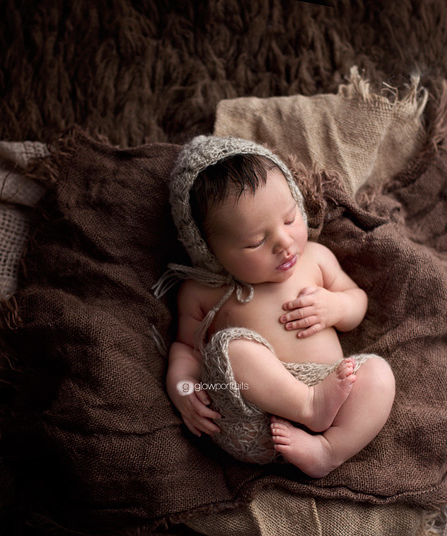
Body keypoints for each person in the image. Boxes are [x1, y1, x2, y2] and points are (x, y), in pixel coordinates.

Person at [158, 136, 395, 478]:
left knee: (378, 375)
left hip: (333, 388)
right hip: (254, 414)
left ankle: (329, 451)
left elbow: (357, 301)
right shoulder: (203, 291)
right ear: (206, 248)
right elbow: (186, 348)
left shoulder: (315, 259)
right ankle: (307, 404)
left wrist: (336, 306)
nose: (284, 244)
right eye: (256, 241)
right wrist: (181, 387)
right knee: (231, 348)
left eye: (289, 219)